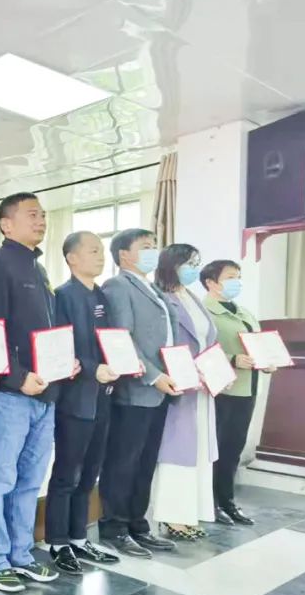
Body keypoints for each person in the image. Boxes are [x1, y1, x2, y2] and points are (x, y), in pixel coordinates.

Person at [0, 192, 65, 593]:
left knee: (29, 482)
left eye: (42, 215)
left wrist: (64, 365)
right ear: (6, 225)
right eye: (31, 215)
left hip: (46, 393)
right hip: (10, 395)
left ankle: (21, 555)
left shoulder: (39, 269)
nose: (40, 220)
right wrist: (16, 377)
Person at [99, 229, 181, 557]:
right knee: (123, 462)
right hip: (136, 390)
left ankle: (138, 524)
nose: (153, 251)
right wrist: (154, 375)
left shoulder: (153, 288)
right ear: (123, 255)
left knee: (145, 462)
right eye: (145, 247)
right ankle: (115, 528)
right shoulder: (118, 286)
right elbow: (122, 339)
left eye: (154, 246)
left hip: (161, 390)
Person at [45, 232, 122, 574]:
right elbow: (60, 347)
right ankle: (57, 542)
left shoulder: (101, 294)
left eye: (101, 250)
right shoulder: (62, 296)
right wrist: (92, 369)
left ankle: (78, 537)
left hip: (104, 396)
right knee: (67, 473)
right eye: (93, 250)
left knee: (90, 472)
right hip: (75, 399)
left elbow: (112, 341)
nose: (100, 256)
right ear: (72, 258)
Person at [151, 245, 219, 540]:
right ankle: (172, 517)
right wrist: (189, 371)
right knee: (177, 453)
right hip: (179, 385)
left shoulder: (192, 297)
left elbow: (207, 342)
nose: (194, 268)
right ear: (172, 265)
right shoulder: (161, 297)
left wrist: (216, 372)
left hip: (202, 387)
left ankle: (191, 513)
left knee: (199, 451)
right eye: (189, 263)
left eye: (196, 263)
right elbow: (162, 345)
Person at [202, 260, 274, 525]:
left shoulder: (244, 312)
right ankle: (210, 503)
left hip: (248, 388)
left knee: (234, 448)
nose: (237, 282)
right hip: (223, 389)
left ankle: (227, 501)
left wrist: (268, 359)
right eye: (230, 277)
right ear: (211, 282)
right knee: (217, 449)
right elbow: (200, 351)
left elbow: (259, 344)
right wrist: (232, 359)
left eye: (238, 276)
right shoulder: (206, 313)